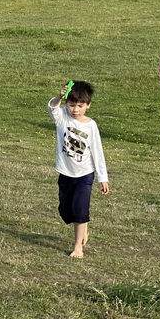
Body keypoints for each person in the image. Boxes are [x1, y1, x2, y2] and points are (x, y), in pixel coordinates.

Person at [48, 80, 110, 258]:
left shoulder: (91, 126)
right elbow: (53, 107)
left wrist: (102, 177)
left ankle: (78, 247)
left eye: (80, 106)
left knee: (80, 210)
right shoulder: (62, 118)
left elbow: (97, 152)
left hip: (85, 174)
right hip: (65, 173)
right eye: (72, 104)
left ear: (88, 106)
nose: (75, 109)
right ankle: (83, 226)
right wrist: (60, 96)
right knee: (66, 211)